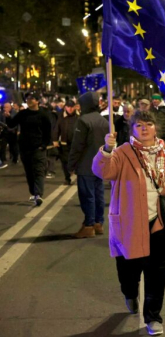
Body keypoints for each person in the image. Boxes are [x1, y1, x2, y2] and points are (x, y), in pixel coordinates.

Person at [93, 110, 165, 336]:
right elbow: (102, 171)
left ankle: (153, 316)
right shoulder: (121, 153)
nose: (143, 128)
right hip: (130, 224)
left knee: (158, 272)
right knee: (128, 269)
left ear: (156, 128)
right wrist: (107, 150)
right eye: (138, 125)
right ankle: (129, 292)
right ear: (132, 129)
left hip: (160, 223)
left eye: (148, 124)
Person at [68, 92, 109, 238]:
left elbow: (77, 145)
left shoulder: (83, 120)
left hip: (86, 164)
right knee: (99, 194)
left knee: (87, 195)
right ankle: (98, 223)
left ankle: (89, 225)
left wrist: (71, 164)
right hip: (100, 164)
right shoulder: (104, 121)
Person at [5, 92, 52, 205]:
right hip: (25, 147)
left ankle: (38, 194)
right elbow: (12, 124)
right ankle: (33, 192)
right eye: (27, 99)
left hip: (38, 148)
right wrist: (8, 117)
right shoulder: (23, 114)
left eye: (31, 99)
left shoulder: (43, 114)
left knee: (39, 171)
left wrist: (44, 145)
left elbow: (48, 131)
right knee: (29, 172)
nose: (29, 101)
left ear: (37, 101)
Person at [52, 100, 79, 185]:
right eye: (68, 107)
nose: (70, 109)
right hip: (64, 143)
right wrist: (55, 140)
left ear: (74, 107)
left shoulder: (79, 117)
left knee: (77, 160)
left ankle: (77, 174)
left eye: (72, 107)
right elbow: (57, 128)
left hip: (76, 143)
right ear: (65, 107)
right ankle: (67, 178)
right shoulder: (61, 117)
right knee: (65, 161)